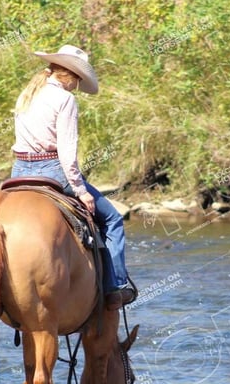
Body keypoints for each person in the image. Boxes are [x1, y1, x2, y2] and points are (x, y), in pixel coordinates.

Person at [10, 44, 136, 310]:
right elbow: (68, 153)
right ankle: (117, 287)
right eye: (78, 79)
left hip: (19, 171)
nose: (78, 85)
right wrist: (80, 190)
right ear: (70, 75)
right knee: (112, 220)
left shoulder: (28, 94)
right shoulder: (65, 99)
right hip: (52, 171)